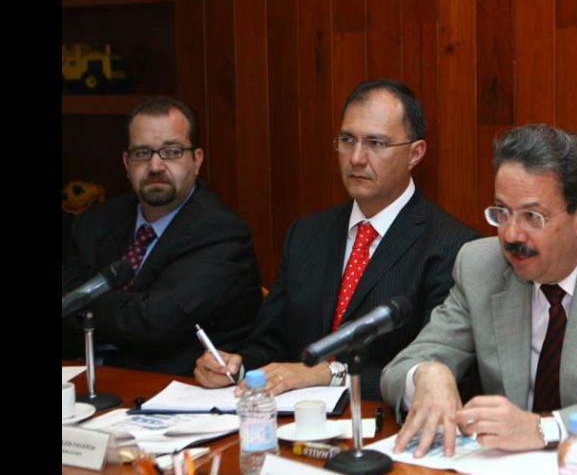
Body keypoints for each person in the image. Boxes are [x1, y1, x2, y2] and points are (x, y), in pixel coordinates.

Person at [380, 123, 577, 457]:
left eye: (532, 217)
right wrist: (426, 374)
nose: (511, 235)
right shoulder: (480, 266)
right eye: (502, 212)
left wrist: (544, 429)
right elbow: (399, 370)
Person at [194, 79, 481, 400]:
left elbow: (432, 373)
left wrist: (327, 374)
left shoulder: (452, 247)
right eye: (347, 140)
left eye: (375, 143)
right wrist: (237, 367)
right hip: (294, 416)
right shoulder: (306, 233)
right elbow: (270, 343)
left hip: (381, 420)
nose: (356, 157)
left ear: (415, 153)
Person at [62, 96, 263, 376]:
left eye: (171, 151)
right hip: (90, 380)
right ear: (126, 163)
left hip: (176, 386)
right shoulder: (94, 223)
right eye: (142, 153)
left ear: (197, 161)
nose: (155, 166)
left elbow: (155, 322)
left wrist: (82, 305)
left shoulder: (220, 230)